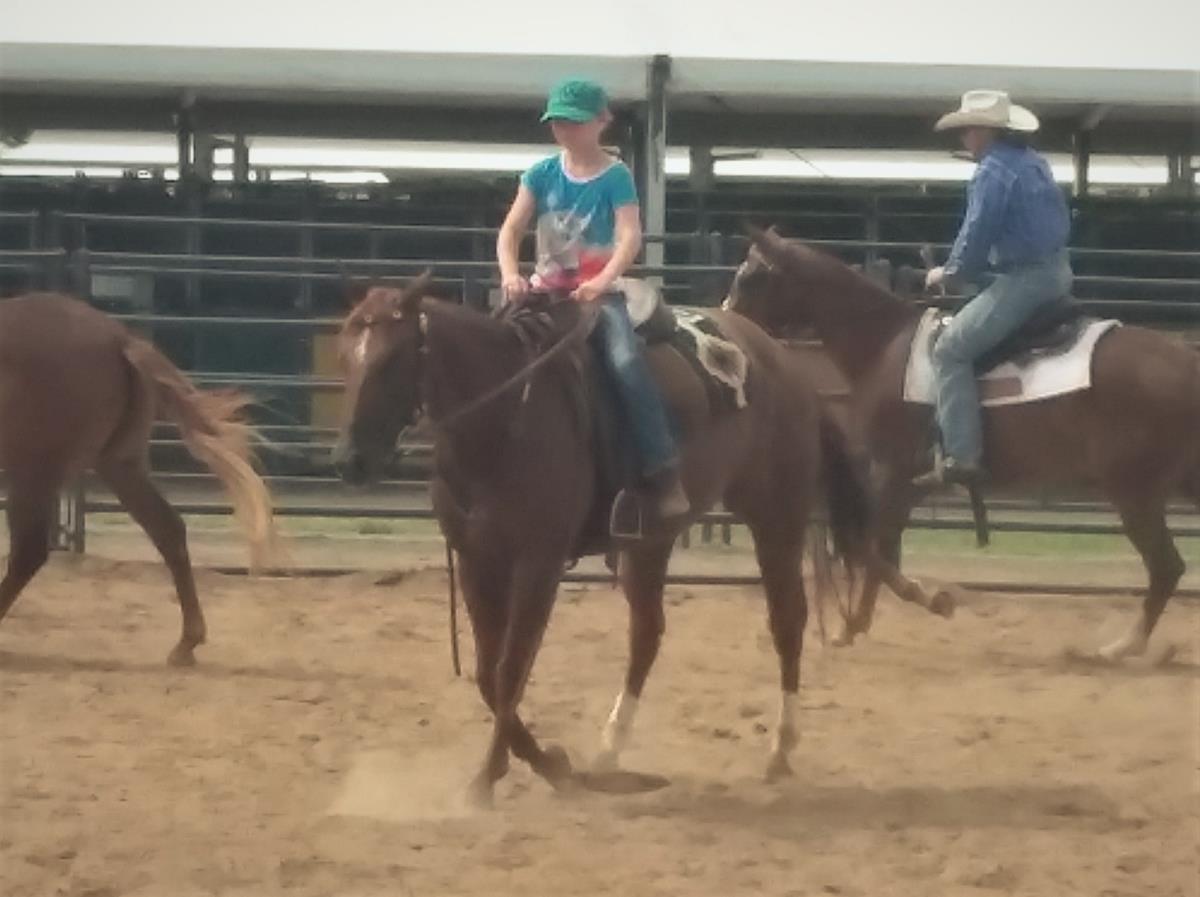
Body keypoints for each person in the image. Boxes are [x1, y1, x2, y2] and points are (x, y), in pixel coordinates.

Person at [496, 77, 689, 520]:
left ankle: (662, 467)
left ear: (602, 122)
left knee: (626, 363)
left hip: (598, 295)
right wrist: (510, 274)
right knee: (490, 350)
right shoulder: (540, 173)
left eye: (574, 122)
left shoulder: (615, 176)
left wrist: (603, 281)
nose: (565, 130)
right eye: (558, 122)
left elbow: (629, 235)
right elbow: (511, 230)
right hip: (544, 292)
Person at [916, 89, 1073, 488]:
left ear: (986, 131)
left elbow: (976, 234)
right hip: (1056, 271)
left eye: (969, 129)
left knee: (950, 350)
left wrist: (948, 274)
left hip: (1024, 280)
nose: (964, 137)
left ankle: (962, 456)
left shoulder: (992, 172)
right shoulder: (1033, 162)